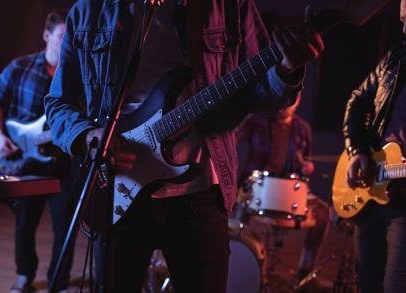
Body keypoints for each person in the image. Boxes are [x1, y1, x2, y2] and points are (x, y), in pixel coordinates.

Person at [45, 0, 323, 292]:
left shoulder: (229, 6)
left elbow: (263, 94)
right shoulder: (90, 9)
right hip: (117, 188)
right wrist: (88, 135)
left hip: (199, 194)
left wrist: (287, 70)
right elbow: (57, 103)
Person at [0, 9, 73, 293]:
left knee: (65, 227)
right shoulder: (21, 66)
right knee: (25, 223)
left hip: (64, 162)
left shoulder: (77, 75)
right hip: (26, 160)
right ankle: (24, 274)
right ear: (47, 36)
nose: (66, 42)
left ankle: (57, 283)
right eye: (62, 36)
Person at [234, 95, 330, 288]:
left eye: (291, 101)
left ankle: (304, 272)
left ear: (299, 100)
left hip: (287, 192)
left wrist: (306, 168)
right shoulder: (256, 119)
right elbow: (232, 139)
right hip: (254, 188)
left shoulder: (303, 129)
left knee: (322, 212)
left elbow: (304, 166)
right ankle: (244, 268)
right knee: (238, 219)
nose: (286, 105)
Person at [343, 1, 406, 291]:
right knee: (366, 284)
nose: (404, 28)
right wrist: (357, 153)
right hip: (371, 191)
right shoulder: (395, 58)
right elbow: (357, 101)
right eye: (403, 20)